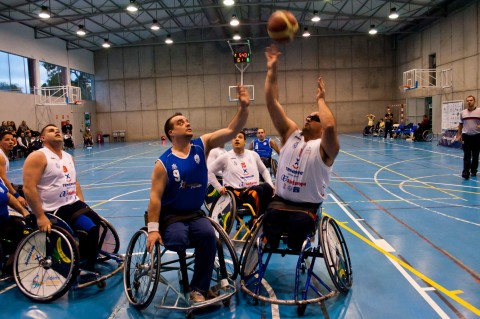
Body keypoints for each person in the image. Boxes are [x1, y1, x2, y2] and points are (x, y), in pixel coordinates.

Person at [145, 85, 250, 303]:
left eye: (187, 120)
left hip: (194, 213)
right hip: (171, 215)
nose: (187, 123)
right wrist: (153, 230)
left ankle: (198, 289)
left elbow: (231, 130)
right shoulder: (163, 163)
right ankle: (195, 275)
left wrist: (244, 108)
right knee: (177, 239)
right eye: (180, 122)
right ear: (171, 133)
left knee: (208, 236)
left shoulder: (201, 145)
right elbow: (155, 198)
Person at [262, 45, 340, 251]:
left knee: (299, 225)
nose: (309, 118)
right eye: (309, 116)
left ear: (322, 128)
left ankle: (296, 246)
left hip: (305, 208)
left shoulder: (324, 149)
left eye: (315, 118)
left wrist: (320, 100)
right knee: (269, 218)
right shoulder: (291, 134)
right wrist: (272, 70)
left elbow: (330, 125)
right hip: (280, 202)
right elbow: (271, 103)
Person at [22, 124, 100, 272]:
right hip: (52, 208)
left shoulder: (68, 157)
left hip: (72, 203)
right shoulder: (38, 156)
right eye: (51, 130)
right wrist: (40, 216)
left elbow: (75, 182)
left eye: (57, 129)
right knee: (90, 228)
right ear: (43, 138)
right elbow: (28, 188)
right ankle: (85, 266)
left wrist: (81, 202)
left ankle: (87, 257)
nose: (56, 131)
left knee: (97, 222)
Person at [208, 132, 274, 217]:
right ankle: (258, 219)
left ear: (245, 141)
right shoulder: (225, 157)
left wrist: (270, 183)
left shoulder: (253, 155)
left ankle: (266, 217)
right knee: (258, 190)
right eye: (234, 137)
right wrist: (219, 188)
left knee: (268, 188)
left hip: (254, 189)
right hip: (237, 194)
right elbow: (209, 171)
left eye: (240, 137)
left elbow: (264, 170)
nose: (236, 139)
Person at [0, 177, 29, 275]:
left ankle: (9, 266)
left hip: (4, 220)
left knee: (24, 228)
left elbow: (8, 196)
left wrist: (24, 212)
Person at [0, 132, 27, 207]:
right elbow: (3, 179)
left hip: (2, 186)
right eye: (7, 140)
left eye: (12, 139)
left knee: (25, 188)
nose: (11, 142)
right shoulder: (0, 156)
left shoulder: (4, 155)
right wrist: (17, 196)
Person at [456, 95, 480, 180]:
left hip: (477, 136)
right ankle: (466, 172)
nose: (469, 102)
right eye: (468, 101)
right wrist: (459, 135)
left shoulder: (479, 111)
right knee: (467, 155)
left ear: (474, 101)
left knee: (475, 155)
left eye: (471, 100)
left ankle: (473, 170)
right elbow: (460, 124)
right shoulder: (463, 113)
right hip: (466, 136)